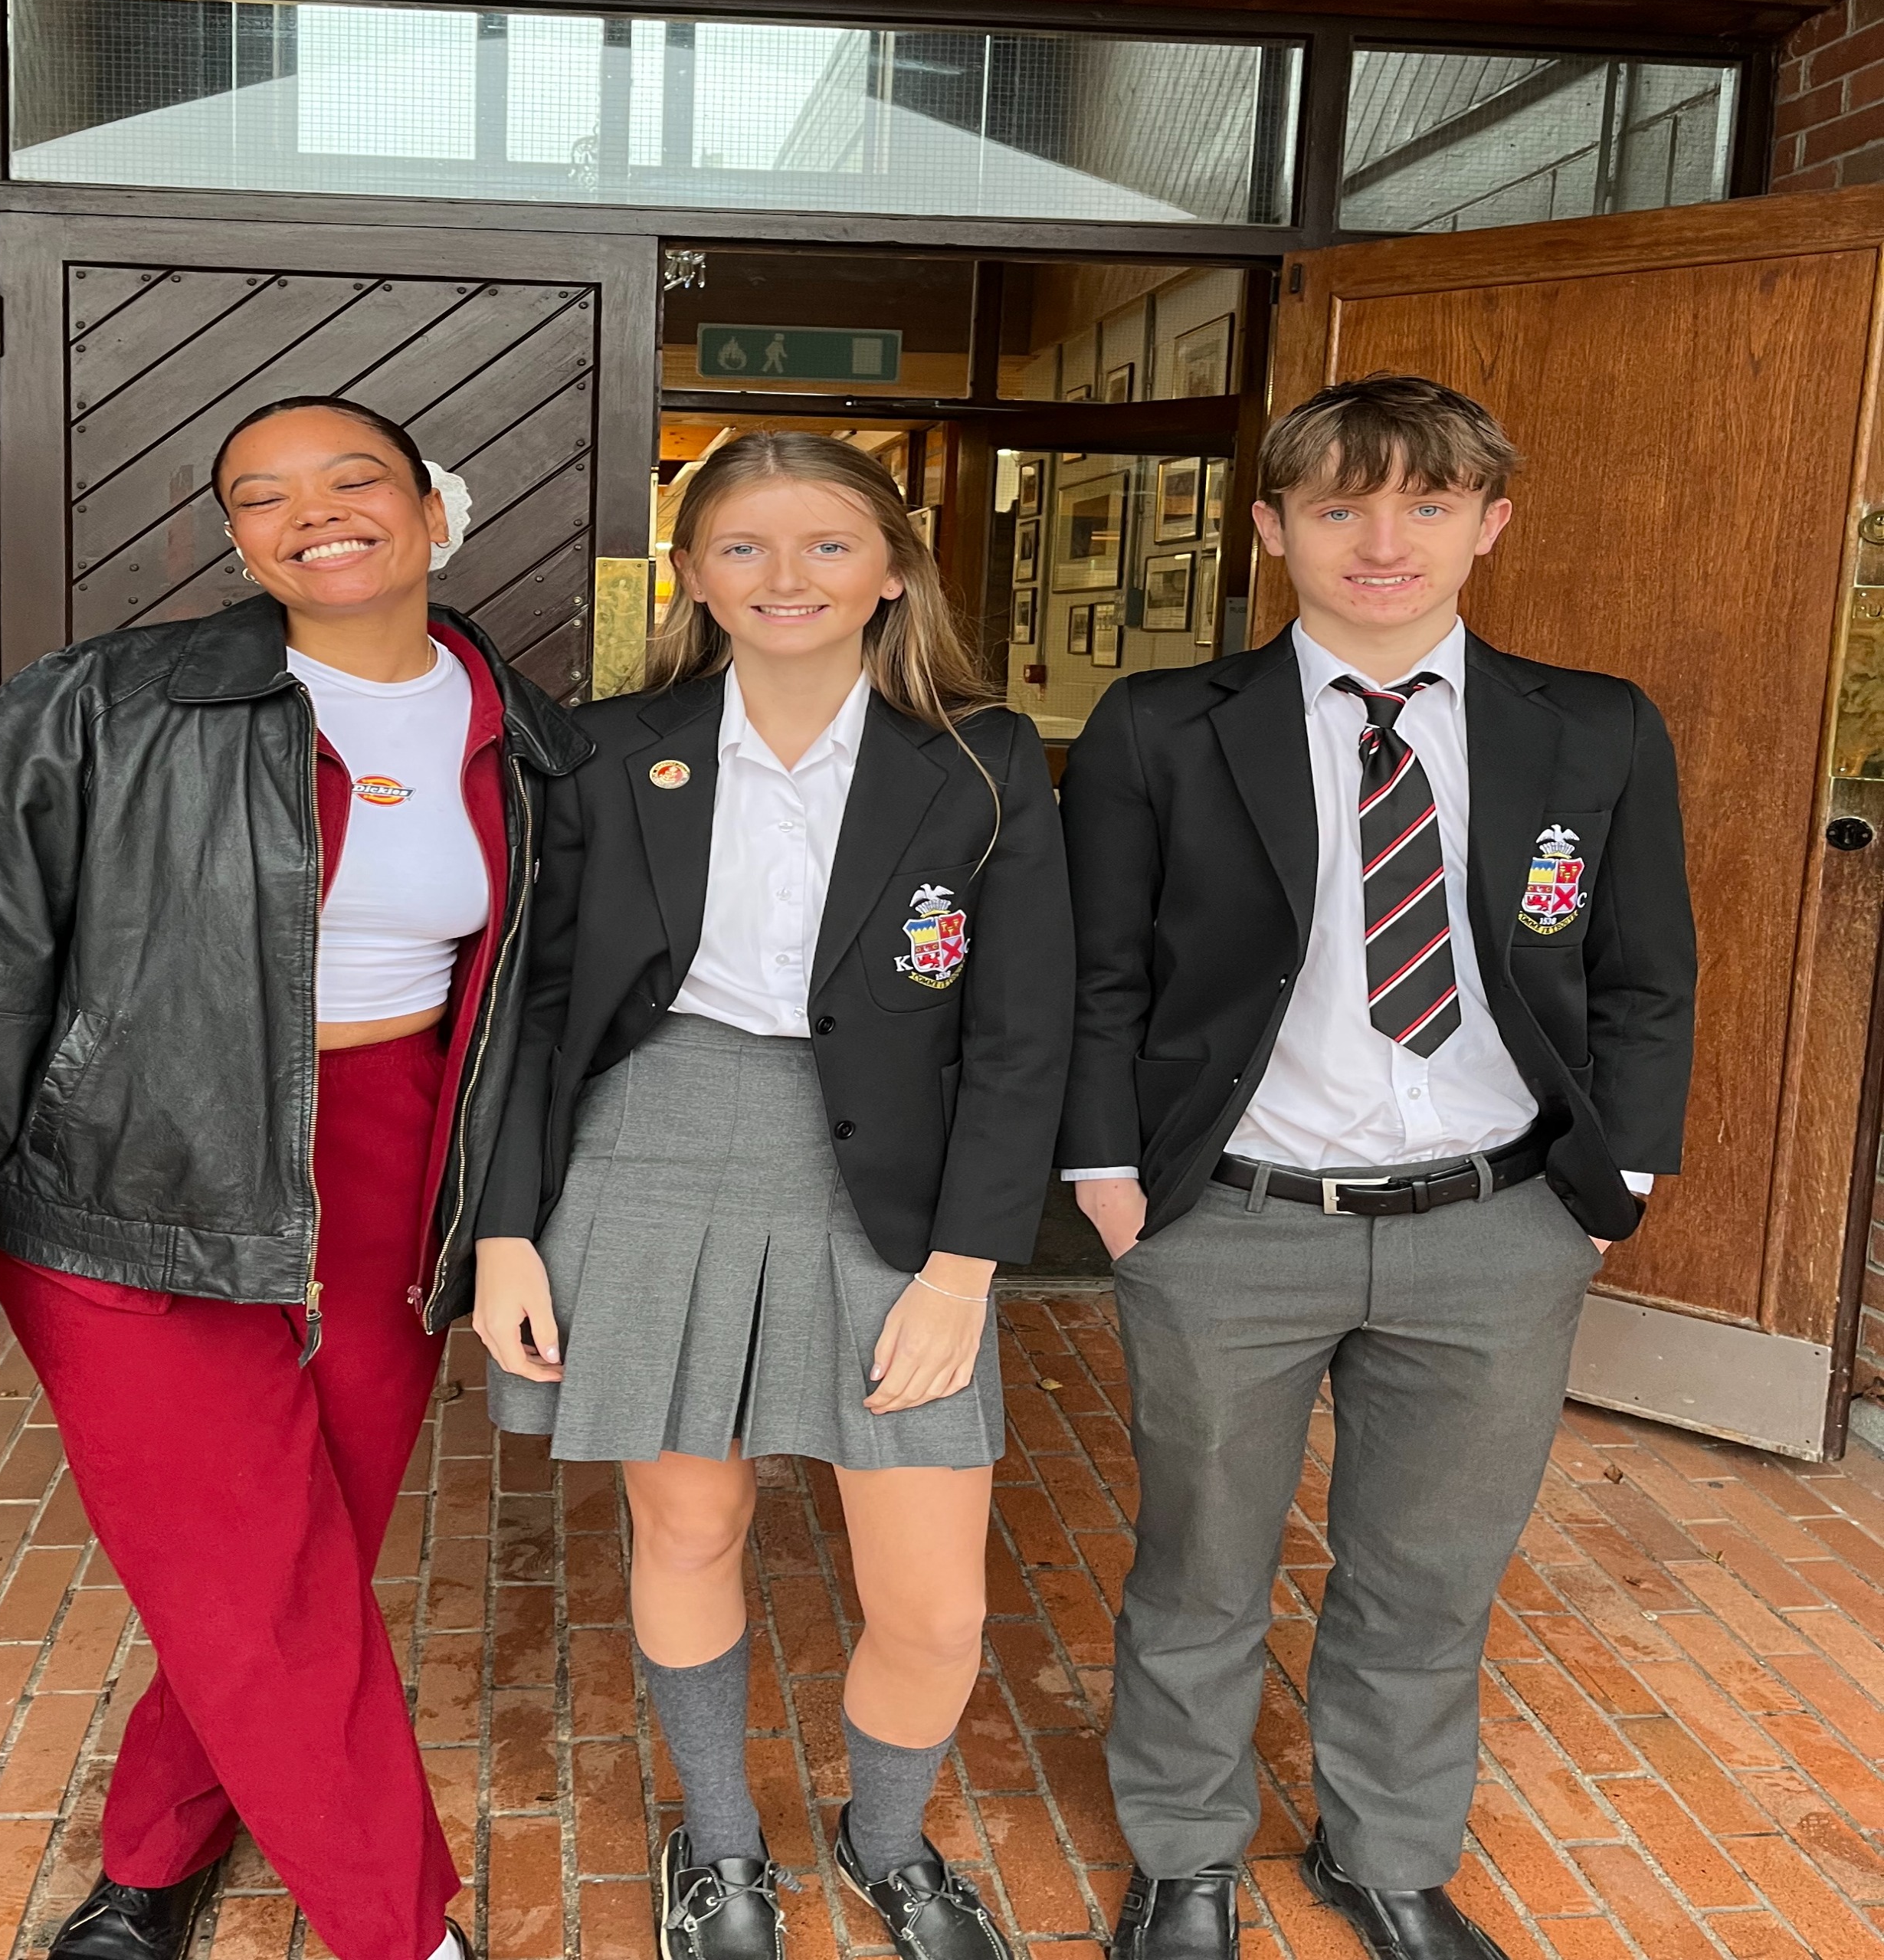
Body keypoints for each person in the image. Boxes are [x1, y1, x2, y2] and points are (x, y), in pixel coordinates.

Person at [0, 395, 589, 1960]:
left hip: (391, 1165)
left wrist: (513, 1221)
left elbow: (530, 1006)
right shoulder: (103, 705)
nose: (313, 513)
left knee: (303, 1557)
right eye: (262, 496)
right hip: (130, 1174)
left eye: (353, 479)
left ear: (433, 509)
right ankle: (403, 1931)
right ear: (239, 542)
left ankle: (150, 1859)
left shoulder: (524, 736)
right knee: (254, 1579)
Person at [1060, 375, 1696, 1960]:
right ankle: (1186, 1855)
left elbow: (1645, 970)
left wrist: (1619, 1183)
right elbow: (1099, 970)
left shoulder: (1595, 727)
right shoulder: (1164, 726)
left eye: (1427, 503)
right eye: (1340, 505)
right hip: (1232, 1220)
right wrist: (1108, 1174)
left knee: (1431, 1571)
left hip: (1495, 1223)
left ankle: (1387, 1853)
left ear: (1491, 524)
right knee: (1202, 1563)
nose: (1383, 540)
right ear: (1274, 530)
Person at [472, 431, 1072, 1960]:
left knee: (935, 1604)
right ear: (692, 574)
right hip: (656, 1142)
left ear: (893, 569)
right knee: (689, 1529)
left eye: (827, 544)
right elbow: (535, 1009)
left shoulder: (982, 758)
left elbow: (1024, 1033)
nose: (785, 576)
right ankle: (724, 1846)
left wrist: (964, 1269)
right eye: (743, 545)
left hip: (894, 1183)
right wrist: (508, 1231)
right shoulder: (609, 750)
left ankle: (889, 1838)